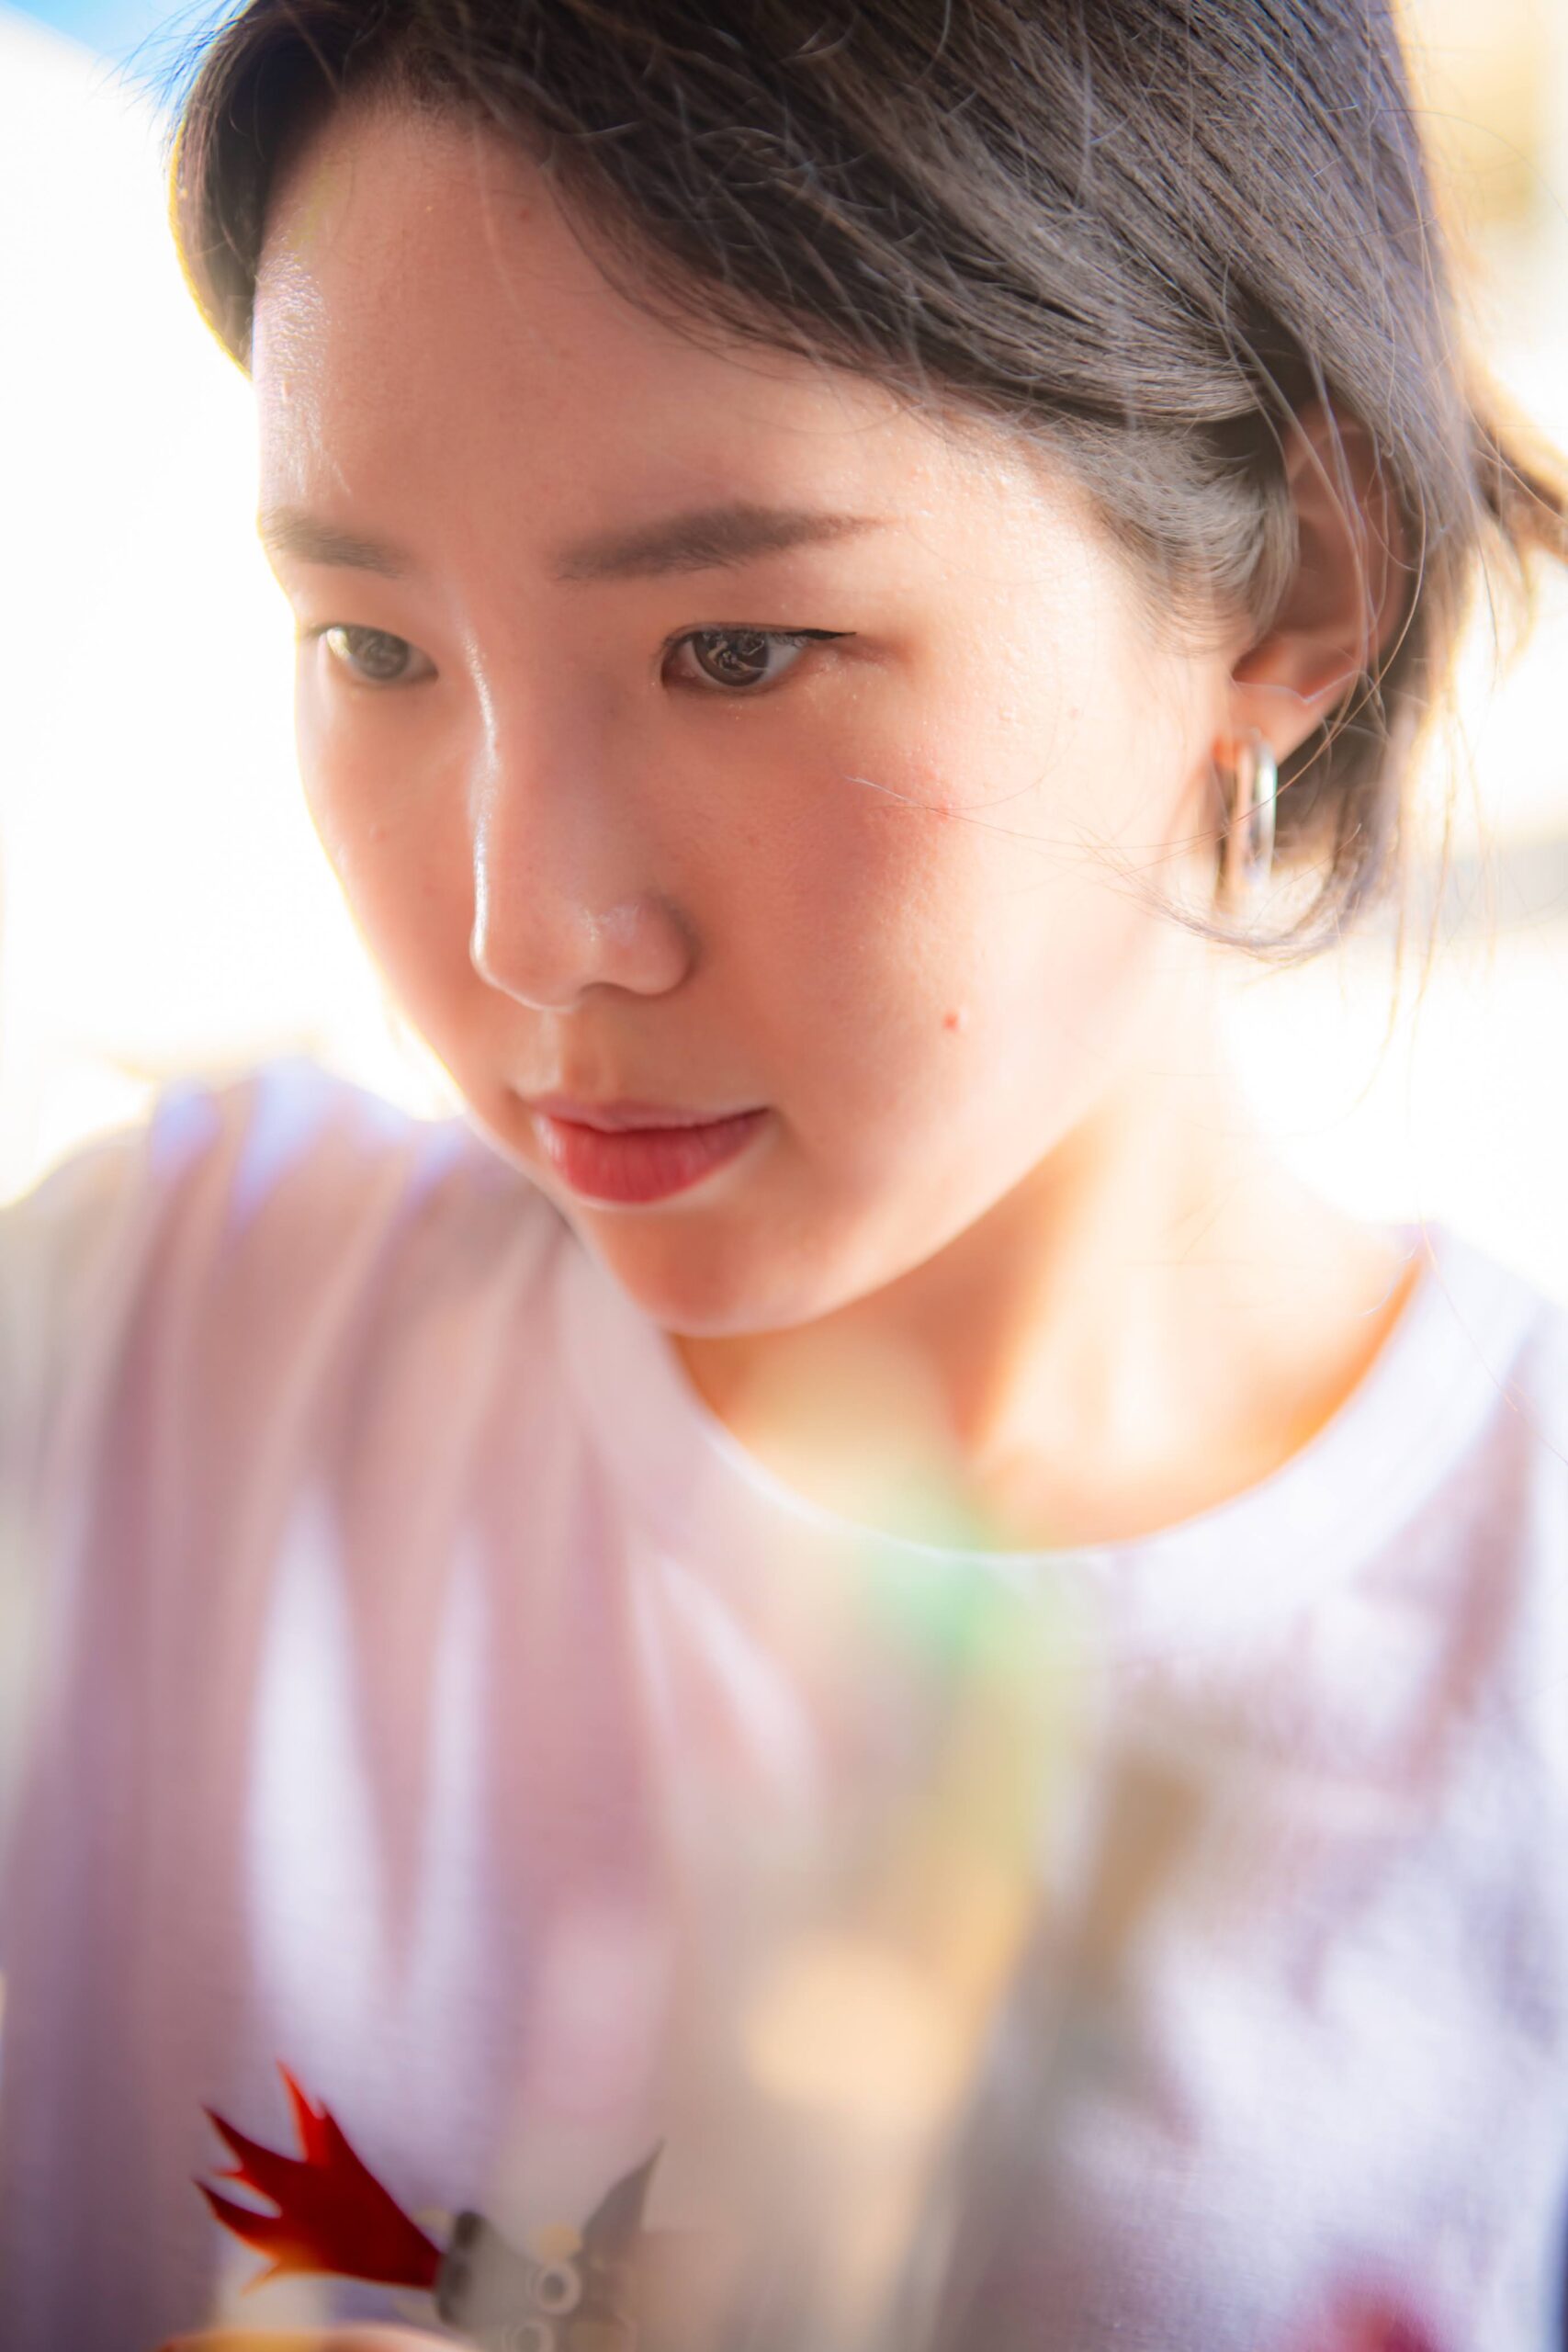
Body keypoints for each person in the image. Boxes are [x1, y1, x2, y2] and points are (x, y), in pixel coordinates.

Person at [2, 1, 1567, 2346]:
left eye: (732, 648)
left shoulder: (1517, 1675)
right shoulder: (137, 1362)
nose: (527, 927)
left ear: (1286, 592)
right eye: (373, 646)